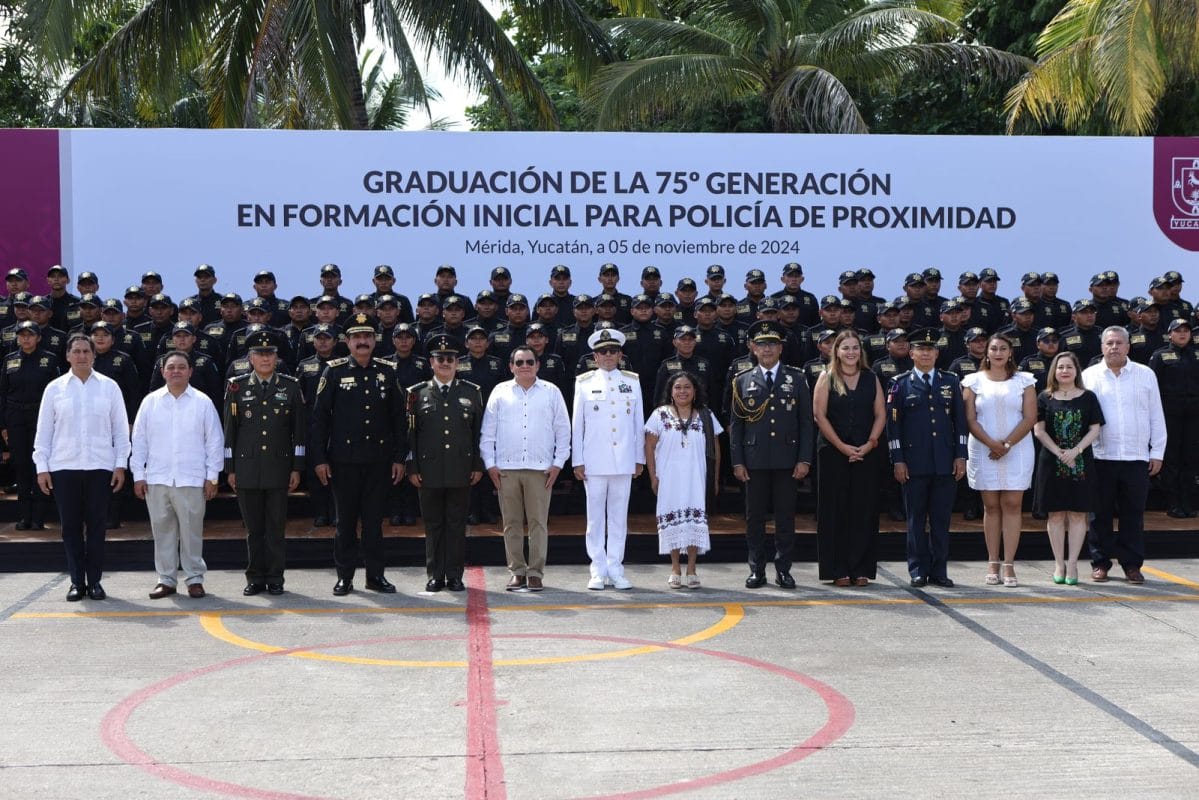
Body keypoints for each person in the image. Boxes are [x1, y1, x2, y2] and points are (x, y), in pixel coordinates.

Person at [311, 314, 407, 596]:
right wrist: (319, 459)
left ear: (374, 340)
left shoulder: (387, 371)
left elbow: (399, 419)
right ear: (348, 342)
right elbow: (319, 419)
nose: (362, 342)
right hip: (343, 462)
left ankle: (375, 576)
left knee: (375, 522)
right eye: (356, 338)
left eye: (367, 337)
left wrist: (399, 457)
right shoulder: (334, 371)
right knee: (345, 523)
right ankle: (345, 577)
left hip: (379, 461)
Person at [32, 335, 130, 601]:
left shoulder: (109, 387)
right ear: (67, 355)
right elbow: (43, 433)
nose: (82, 356)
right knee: (70, 527)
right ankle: (77, 581)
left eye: (86, 351)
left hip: (100, 467)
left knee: (97, 527)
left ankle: (95, 581)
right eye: (76, 351)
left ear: (94, 355)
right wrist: (42, 467)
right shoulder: (54, 388)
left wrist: (120, 465)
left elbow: (121, 432)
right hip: (64, 467)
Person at [131, 351, 224, 599]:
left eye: (181, 367)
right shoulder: (150, 402)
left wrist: (212, 476)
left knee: (192, 531)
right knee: (162, 531)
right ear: (162, 372)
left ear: (190, 371)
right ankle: (166, 579)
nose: (176, 371)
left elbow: (214, 441)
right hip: (157, 478)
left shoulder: (202, 402)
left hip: (191, 478)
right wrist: (138, 474)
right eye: (170, 367)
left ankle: (194, 578)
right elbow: (139, 441)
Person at [728, 321, 813, 589]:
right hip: (754, 461)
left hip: (787, 460)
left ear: (781, 348)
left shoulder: (796, 378)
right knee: (754, 518)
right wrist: (738, 461)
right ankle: (757, 569)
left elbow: (806, 423)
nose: (767, 349)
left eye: (772, 344)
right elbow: (737, 425)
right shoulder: (742, 380)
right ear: (753, 348)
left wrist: (804, 459)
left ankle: (784, 569)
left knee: (785, 517)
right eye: (762, 344)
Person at [480, 346, 571, 592]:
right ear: (511, 366)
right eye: (519, 362)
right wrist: (490, 464)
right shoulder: (500, 392)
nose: (525, 366)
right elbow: (488, 432)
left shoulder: (551, 392)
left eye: (530, 361)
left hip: (540, 469)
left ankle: (536, 573)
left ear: (538, 365)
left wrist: (558, 463)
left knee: (538, 523)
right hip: (506, 469)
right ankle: (517, 572)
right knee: (510, 523)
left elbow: (563, 429)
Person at [223, 330, 306, 596]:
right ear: (250, 358)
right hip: (246, 467)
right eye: (259, 353)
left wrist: (297, 467)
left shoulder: (291, 386)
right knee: (253, 529)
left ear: (277, 357)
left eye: (269, 353)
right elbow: (230, 431)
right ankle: (255, 577)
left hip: (279, 467)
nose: (265, 358)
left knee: (275, 528)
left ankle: (275, 578)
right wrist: (231, 468)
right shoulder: (236, 386)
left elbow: (299, 431)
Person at [1082, 326, 1167, 584]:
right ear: (1101, 347)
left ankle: (1132, 565)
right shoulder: (1089, 376)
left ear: (1128, 347)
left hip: (1136, 456)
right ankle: (1100, 563)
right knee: (1099, 515)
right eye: (1109, 343)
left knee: (1133, 514)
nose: (1114, 347)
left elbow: (1156, 414)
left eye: (1119, 342)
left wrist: (1158, 451)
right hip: (1100, 455)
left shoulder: (1145, 374)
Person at [885, 328, 968, 588]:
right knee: (916, 520)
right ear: (911, 353)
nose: (926, 353)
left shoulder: (951, 381)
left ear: (937, 353)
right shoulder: (899, 383)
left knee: (942, 520)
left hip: (945, 462)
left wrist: (961, 456)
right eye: (921, 349)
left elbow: (960, 422)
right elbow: (893, 425)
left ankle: (939, 570)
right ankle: (918, 570)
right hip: (914, 463)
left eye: (930, 349)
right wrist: (898, 459)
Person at [407, 333, 485, 593]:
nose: (445, 362)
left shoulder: (471, 393)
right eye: (440, 358)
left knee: (455, 525)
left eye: (450, 358)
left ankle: (454, 575)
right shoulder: (416, 394)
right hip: (428, 471)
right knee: (433, 525)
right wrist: (413, 467)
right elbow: (411, 436)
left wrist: (477, 465)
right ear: (431, 362)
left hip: (460, 469)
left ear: (457, 363)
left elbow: (477, 434)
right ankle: (435, 575)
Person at [572, 328, 645, 590]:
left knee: (618, 518)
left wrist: (639, 458)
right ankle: (597, 569)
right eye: (603, 351)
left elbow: (638, 423)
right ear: (594, 355)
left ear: (620, 354)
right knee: (594, 519)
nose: (608, 355)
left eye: (613, 351)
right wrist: (577, 460)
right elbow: (577, 425)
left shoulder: (632, 381)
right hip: (594, 460)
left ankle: (615, 567)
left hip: (623, 459)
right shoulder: (584, 382)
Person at [962, 335, 1037, 586]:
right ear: (986, 352)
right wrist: (992, 444)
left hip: (1017, 448)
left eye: (1003, 348)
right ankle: (992, 561)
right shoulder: (973, 381)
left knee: (1013, 505)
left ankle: (1009, 565)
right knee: (991, 506)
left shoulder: (1024, 381)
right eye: (993, 348)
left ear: (1010, 352)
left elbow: (1029, 418)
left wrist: (1006, 444)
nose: (997, 352)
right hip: (984, 449)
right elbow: (970, 419)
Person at [812, 330, 885, 587]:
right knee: (835, 511)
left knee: (863, 511)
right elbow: (820, 416)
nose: (851, 352)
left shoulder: (871, 377)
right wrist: (843, 447)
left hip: (866, 453)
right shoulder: (827, 377)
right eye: (846, 348)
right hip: (833, 453)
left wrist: (869, 444)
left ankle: (860, 568)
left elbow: (880, 414)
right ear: (837, 352)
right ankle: (838, 569)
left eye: (855, 348)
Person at [1032, 352, 1105, 585]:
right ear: (1054, 370)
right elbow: (1039, 430)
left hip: (1081, 461)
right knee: (1055, 514)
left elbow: (1095, 429)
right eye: (1060, 367)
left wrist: (1076, 451)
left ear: (1076, 371)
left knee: (1077, 513)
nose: (1064, 371)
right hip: (1051, 461)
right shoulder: (1044, 397)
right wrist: (1060, 453)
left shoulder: (1088, 397)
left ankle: (1073, 563)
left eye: (1069, 367)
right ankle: (1058, 563)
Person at [644, 371, 721, 589]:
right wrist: (653, 476)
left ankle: (692, 569)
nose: (683, 391)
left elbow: (716, 448)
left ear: (695, 391)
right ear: (670, 391)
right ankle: (675, 568)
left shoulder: (706, 415)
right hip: (669, 478)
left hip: (696, 478)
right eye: (678, 387)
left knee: (694, 521)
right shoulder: (660, 415)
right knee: (673, 521)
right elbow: (649, 446)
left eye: (687, 387)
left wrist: (714, 479)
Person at [1, 320, 61, 529]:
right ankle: (25, 515)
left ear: (38, 337)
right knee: (21, 465)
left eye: (30, 334)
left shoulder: (50, 359)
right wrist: (3, 425)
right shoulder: (9, 360)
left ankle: (39, 517)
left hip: (40, 417)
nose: (25, 338)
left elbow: (57, 394)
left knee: (40, 464)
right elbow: (2, 393)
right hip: (15, 417)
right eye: (22, 335)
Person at [1148, 318, 1199, 518]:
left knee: (1190, 458)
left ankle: (1188, 502)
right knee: (1171, 459)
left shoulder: (1196, 354)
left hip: (1194, 415)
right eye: (1178, 331)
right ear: (1170, 334)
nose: (1183, 334)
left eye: (1186, 330)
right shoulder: (1160, 355)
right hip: (1169, 416)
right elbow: (1151, 388)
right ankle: (1173, 503)